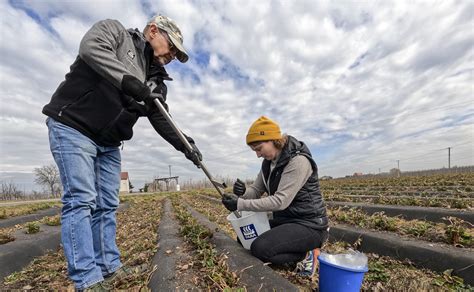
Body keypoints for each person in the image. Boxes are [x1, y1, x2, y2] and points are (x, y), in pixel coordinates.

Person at [42, 15, 202, 290]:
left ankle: (109, 267)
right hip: (74, 126)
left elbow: (161, 117)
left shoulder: (157, 83)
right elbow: (91, 48)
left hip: (110, 142)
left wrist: (186, 145)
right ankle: (87, 279)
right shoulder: (116, 33)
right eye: (172, 47)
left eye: (177, 53)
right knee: (81, 200)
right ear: (153, 30)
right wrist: (128, 81)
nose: (173, 55)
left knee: (107, 205)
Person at [222, 116, 328, 277]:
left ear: (273, 140)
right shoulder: (268, 163)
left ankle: (306, 254)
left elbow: (280, 201)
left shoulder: (298, 161)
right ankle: (296, 249)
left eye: (259, 148)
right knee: (244, 238)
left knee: (260, 249)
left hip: (309, 224)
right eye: (254, 150)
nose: (257, 155)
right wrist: (242, 193)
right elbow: (256, 190)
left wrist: (240, 204)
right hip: (285, 220)